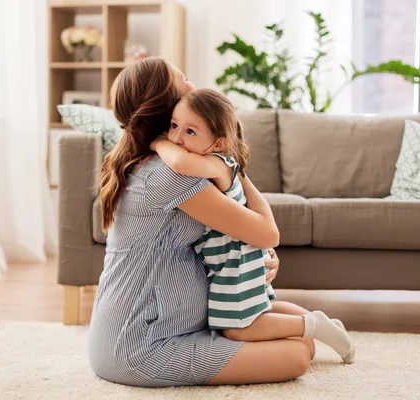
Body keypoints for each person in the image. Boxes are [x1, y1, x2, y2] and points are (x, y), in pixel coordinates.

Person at [88, 57, 340, 388]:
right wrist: (229, 169)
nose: (193, 86)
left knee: (288, 331)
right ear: (168, 106)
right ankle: (310, 326)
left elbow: (234, 234)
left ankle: (310, 325)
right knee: (298, 354)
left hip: (173, 323)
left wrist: (227, 171)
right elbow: (268, 232)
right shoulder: (169, 175)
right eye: (184, 80)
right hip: (142, 344)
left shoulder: (171, 161)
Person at [149, 88, 354, 363]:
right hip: (239, 254)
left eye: (190, 132)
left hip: (234, 260)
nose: (176, 137)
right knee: (263, 311)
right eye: (174, 126)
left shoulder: (218, 164)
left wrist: (156, 143)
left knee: (236, 329)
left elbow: (179, 161)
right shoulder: (216, 162)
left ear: (218, 143)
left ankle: (313, 325)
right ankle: (324, 324)